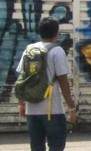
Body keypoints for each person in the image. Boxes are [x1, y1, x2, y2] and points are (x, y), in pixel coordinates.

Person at [16, 17, 77, 151]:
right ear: (56, 32)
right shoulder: (57, 51)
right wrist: (71, 108)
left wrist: (21, 103)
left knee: (36, 147)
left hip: (31, 109)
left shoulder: (29, 49)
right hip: (52, 110)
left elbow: (21, 78)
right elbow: (63, 82)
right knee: (56, 145)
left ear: (40, 32)